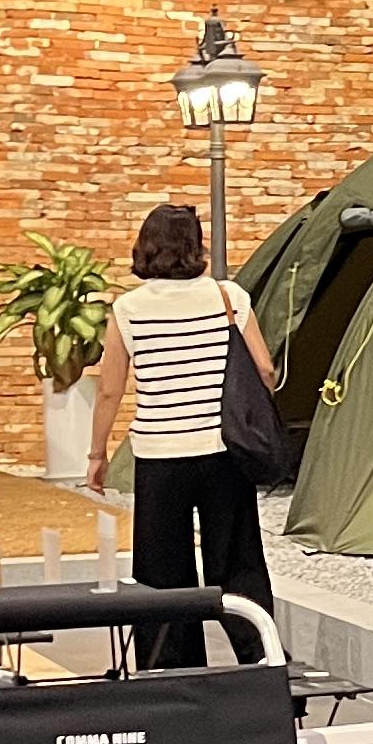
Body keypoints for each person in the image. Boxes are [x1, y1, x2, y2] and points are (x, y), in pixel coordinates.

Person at [88, 200, 282, 668]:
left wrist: (97, 455)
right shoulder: (228, 296)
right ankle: (262, 662)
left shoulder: (128, 308)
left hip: (160, 456)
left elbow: (110, 389)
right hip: (223, 452)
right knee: (237, 564)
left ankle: (172, 672)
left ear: (146, 246)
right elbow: (264, 370)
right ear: (196, 246)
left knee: (162, 573)